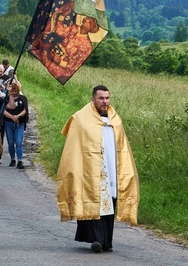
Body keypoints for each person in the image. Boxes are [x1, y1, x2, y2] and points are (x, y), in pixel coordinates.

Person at [56, 85, 140, 253]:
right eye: (101, 98)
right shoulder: (81, 118)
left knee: (110, 203)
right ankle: (96, 239)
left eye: (107, 98)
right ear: (93, 99)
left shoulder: (115, 119)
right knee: (95, 202)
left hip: (112, 167)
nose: (105, 102)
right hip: (90, 169)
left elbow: (122, 146)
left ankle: (107, 241)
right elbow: (74, 145)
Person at [2, 81, 28, 169]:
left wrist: (18, 116)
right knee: (10, 142)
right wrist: (11, 117)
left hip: (19, 123)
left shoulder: (23, 98)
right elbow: (3, 110)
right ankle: (13, 159)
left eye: (15, 91)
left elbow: (25, 110)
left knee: (19, 142)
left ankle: (20, 160)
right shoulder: (6, 99)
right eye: (12, 91)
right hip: (9, 122)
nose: (14, 93)